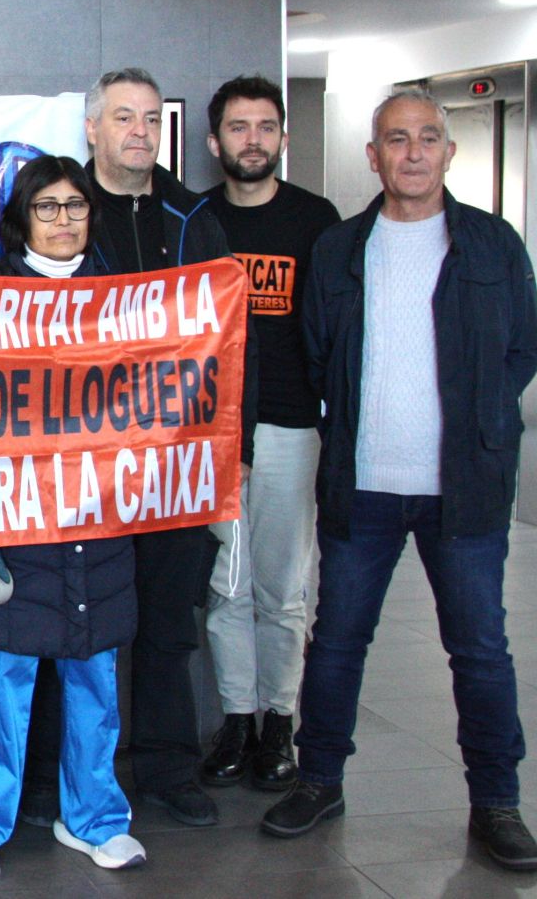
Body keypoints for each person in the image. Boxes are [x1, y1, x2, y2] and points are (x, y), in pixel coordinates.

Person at [261, 89, 537, 873]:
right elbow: (319, 351)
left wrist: (481, 422)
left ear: (449, 152)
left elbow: (523, 352)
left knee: (481, 649)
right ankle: (320, 779)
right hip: (365, 484)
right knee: (338, 642)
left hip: (467, 489)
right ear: (373, 156)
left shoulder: (493, 245)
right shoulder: (341, 250)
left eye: (427, 139)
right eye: (396, 139)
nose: (413, 152)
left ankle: (497, 802)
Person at [0, 156, 145, 882]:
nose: (64, 220)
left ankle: (95, 818)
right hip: (8, 525)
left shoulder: (127, 299)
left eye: (76, 206)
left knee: (95, 685)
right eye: (48, 207)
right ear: (21, 217)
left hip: (97, 520)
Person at [57, 66, 247, 828]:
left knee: (170, 625)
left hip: (176, 462)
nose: (138, 131)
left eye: (149, 119)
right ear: (93, 130)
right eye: (123, 117)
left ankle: (168, 769)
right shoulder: (63, 210)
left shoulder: (194, 215)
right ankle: (61, 779)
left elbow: (234, 338)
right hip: (84, 467)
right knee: (74, 629)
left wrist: (234, 444)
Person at [196, 76, 341, 793]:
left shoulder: (318, 220)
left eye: (264, 126)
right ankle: (237, 719)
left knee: (284, 589)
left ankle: (280, 719)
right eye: (238, 127)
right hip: (213, 436)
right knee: (227, 587)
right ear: (216, 140)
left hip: (289, 427)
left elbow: (336, 329)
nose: (251, 139)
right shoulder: (195, 222)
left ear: (281, 137)